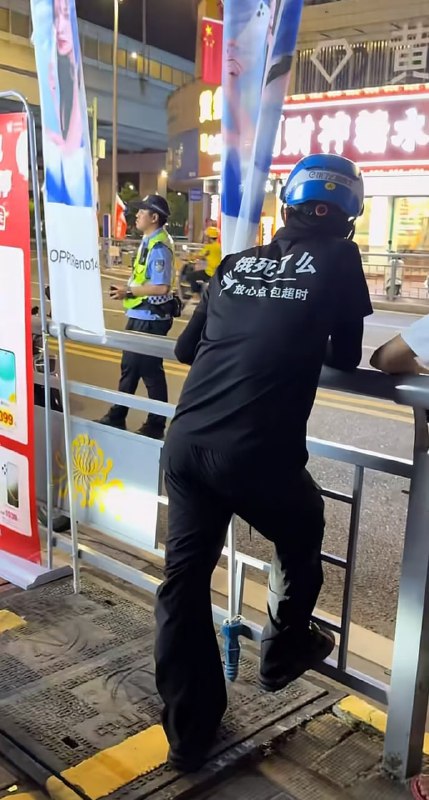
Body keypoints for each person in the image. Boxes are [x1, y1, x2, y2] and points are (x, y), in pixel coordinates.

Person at [155, 154, 373, 771]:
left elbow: (185, 348)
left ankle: (188, 735)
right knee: (303, 526)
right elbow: (347, 357)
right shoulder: (341, 258)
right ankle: (283, 651)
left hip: (187, 442)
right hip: (256, 453)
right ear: (349, 216)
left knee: (183, 582)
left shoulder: (236, 262)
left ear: (288, 206)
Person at [97, 195, 174, 439]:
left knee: (149, 371)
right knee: (131, 368)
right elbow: (143, 278)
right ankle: (119, 415)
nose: (138, 215)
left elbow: (161, 287)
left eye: (143, 211)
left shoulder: (159, 247)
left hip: (150, 318)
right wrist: (126, 289)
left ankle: (154, 424)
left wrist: (128, 291)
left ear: (154, 217)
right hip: (141, 314)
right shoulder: (148, 241)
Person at [189, 226, 222, 300]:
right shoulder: (219, 246)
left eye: (206, 236)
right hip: (217, 272)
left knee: (191, 276)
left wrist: (189, 257)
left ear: (209, 237)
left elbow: (199, 256)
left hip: (210, 273)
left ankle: (196, 294)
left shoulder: (209, 247)